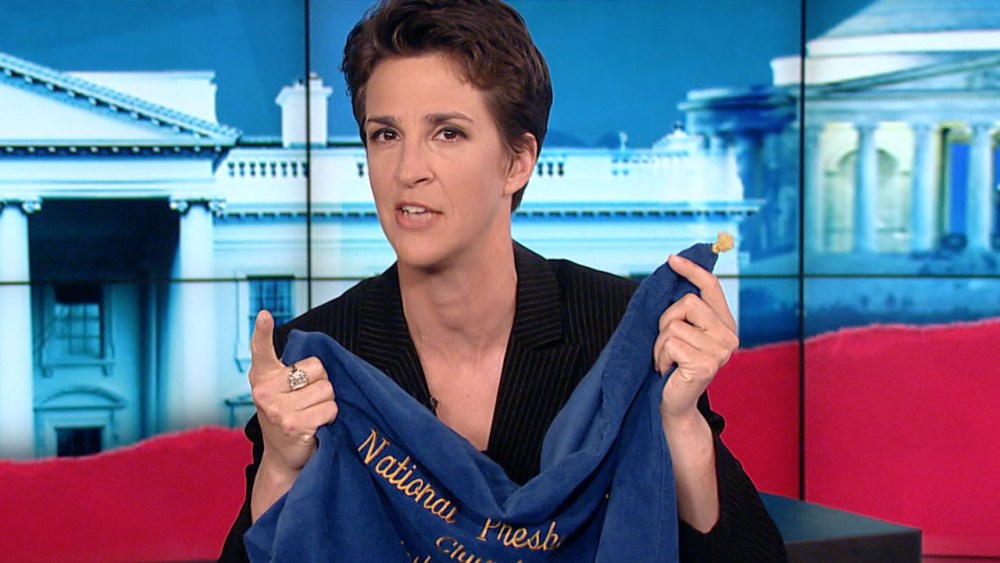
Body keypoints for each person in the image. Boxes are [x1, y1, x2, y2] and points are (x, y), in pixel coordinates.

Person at [220, 0, 786, 561]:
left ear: (517, 161)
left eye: (447, 133)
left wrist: (680, 424)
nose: (407, 170)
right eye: (385, 135)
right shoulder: (314, 354)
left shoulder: (621, 330)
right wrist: (281, 465)